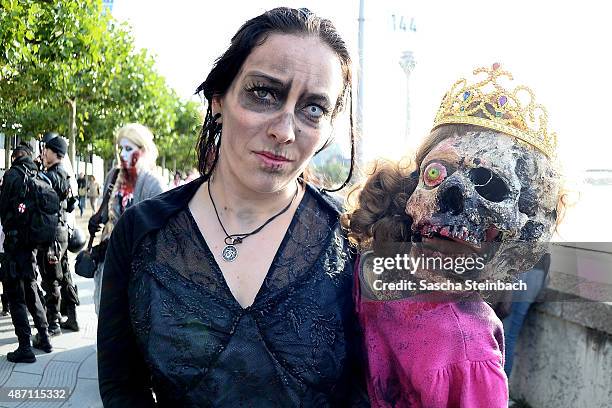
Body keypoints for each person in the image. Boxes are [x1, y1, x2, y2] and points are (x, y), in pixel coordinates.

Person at [97, 7, 367, 407]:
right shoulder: (142, 233)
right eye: (264, 93)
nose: (284, 131)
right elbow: (122, 387)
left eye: (313, 108)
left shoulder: (353, 242)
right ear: (218, 98)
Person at [343, 63, 564, 407]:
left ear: (519, 227)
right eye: (435, 173)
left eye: (490, 185)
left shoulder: (373, 273)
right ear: (414, 184)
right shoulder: (469, 348)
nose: (452, 196)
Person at [89, 123, 166, 314]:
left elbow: (161, 233)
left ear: (144, 150)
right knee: (106, 317)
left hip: (137, 269)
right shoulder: (113, 176)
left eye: (129, 149)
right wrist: (97, 220)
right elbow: (105, 212)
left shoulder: (153, 184)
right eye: (121, 148)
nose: (123, 154)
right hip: (108, 262)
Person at [0, 143, 52, 363]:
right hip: (31, 244)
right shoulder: (38, 175)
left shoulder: (12, 175)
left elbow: (3, 209)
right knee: (31, 288)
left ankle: (25, 347)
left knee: (15, 295)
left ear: (14, 157)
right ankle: (45, 336)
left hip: (14, 244)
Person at [37, 133, 80, 335]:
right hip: (61, 232)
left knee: (50, 278)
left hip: (53, 233)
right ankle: (71, 317)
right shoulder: (64, 174)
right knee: (64, 275)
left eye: (47, 150)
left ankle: (53, 323)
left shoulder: (52, 175)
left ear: (56, 152)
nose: (44, 153)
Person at [502, 253, 550, 376]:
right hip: (535, 279)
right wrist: (542, 289)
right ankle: (502, 386)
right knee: (510, 337)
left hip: (519, 277)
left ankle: (500, 386)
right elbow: (547, 259)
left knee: (505, 340)